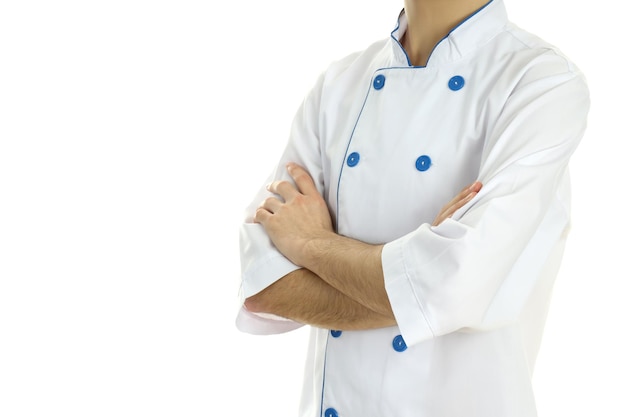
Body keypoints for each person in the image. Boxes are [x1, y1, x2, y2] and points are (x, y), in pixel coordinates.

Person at [236, 0, 590, 415]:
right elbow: (266, 288)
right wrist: (420, 281)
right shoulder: (339, 85)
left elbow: (452, 283)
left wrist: (311, 243)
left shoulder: (540, 82)